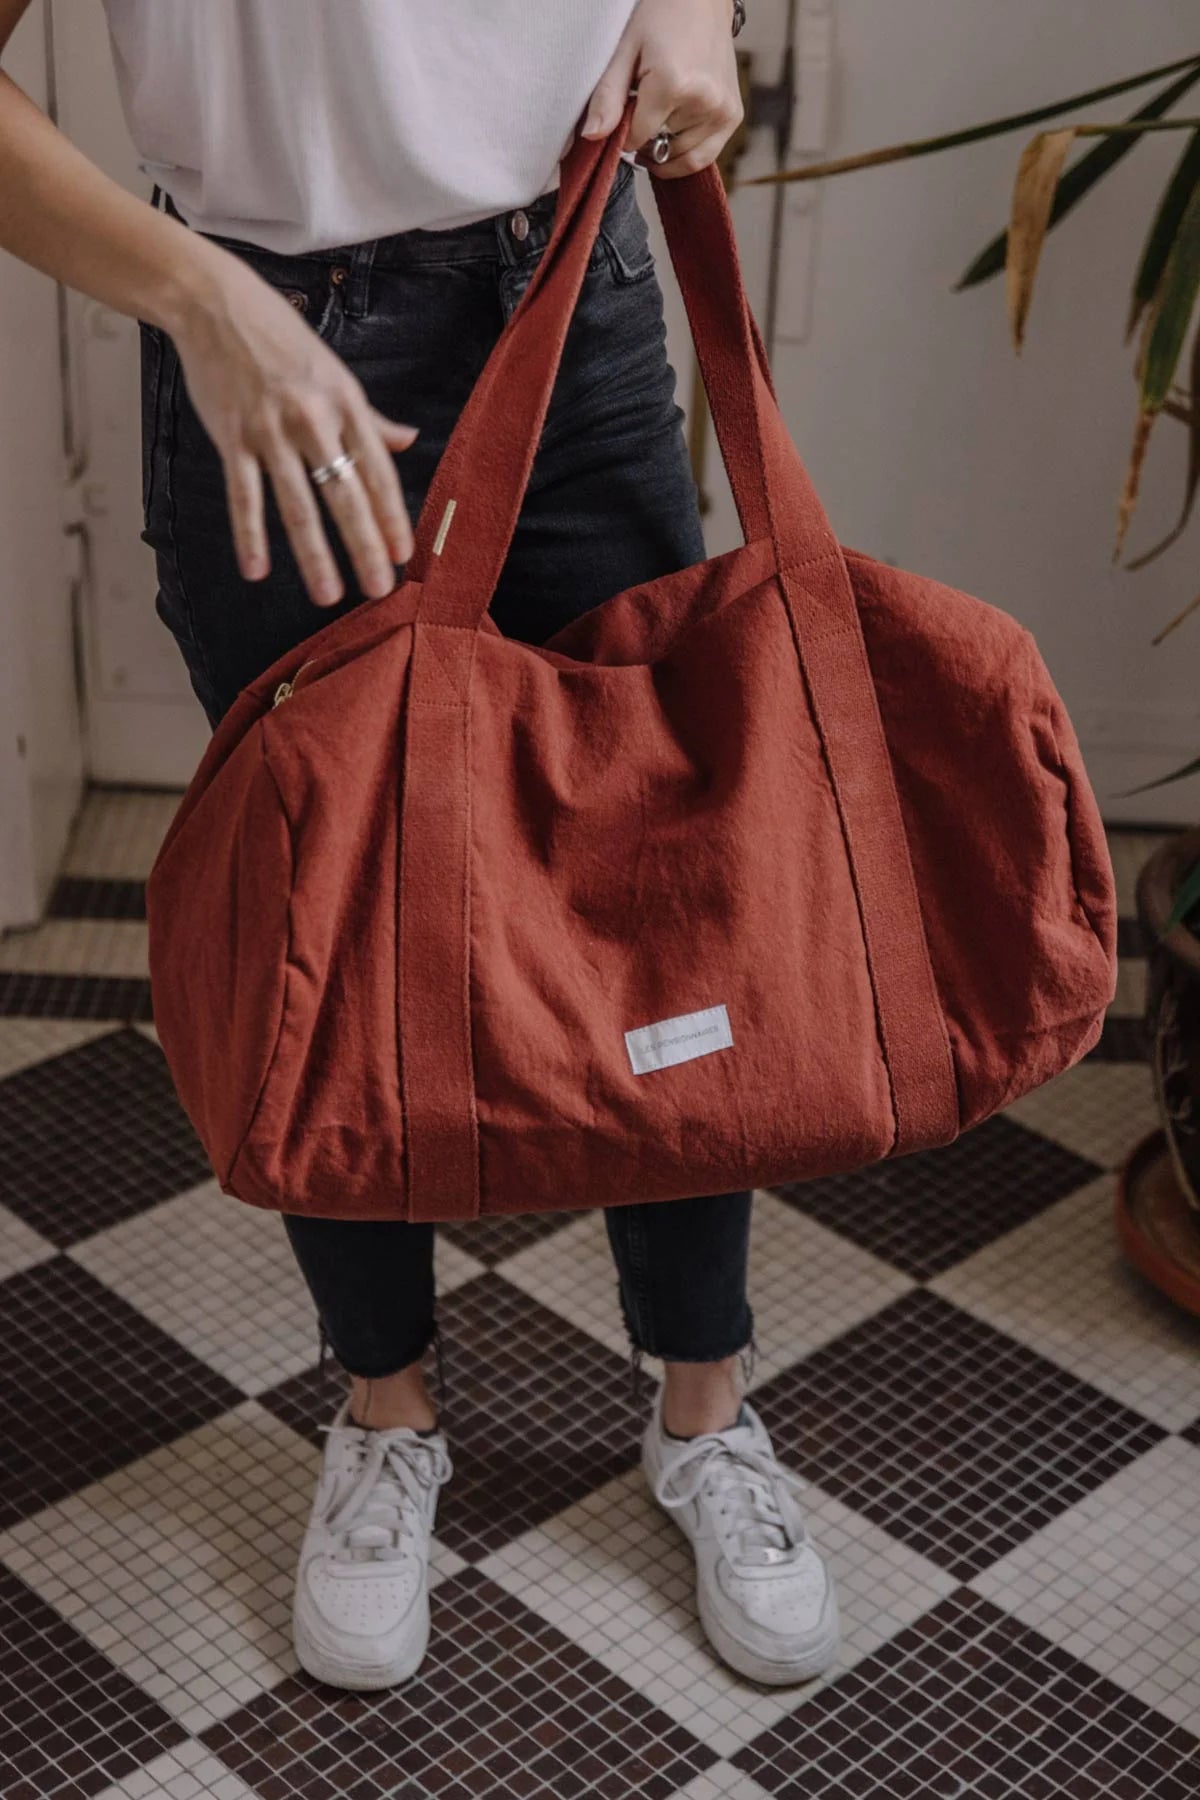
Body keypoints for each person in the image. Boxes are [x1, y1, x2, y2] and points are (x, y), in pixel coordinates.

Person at [0, 0, 840, 1693]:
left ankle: (705, 1414)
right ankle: (387, 1413)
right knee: (325, 920)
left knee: (661, 894)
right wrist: (197, 300)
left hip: (570, 280)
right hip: (267, 336)